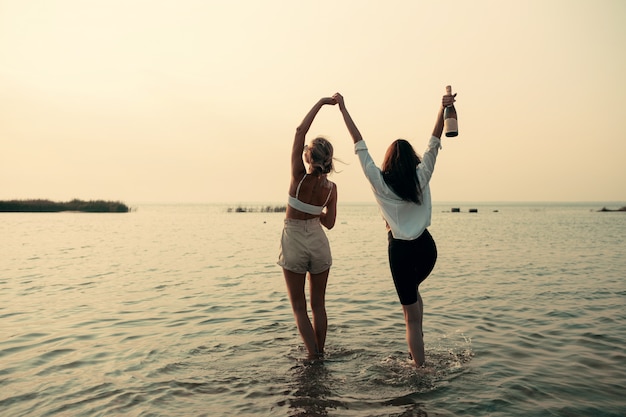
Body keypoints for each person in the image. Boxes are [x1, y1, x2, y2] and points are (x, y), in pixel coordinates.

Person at [333, 91, 456, 367]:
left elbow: (359, 144)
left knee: (409, 317)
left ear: (388, 162)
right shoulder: (420, 177)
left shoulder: (379, 183)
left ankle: (420, 371)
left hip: (400, 252)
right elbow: (434, 143)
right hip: (426, 250)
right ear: (411, 160)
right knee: (414, 297)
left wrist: (343, 109)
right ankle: (418, 350)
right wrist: (442, 109)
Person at [278, 96, 338, 359]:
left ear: (308, 157)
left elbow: (300, 131)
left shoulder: (298, 177)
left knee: (299, 309)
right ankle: (321, 353)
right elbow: (330, 223)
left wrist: (322, 102)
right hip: (318, 242)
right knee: (319, 306)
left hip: (293, 240)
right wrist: (317, 211)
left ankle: (313, 358)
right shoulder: (331, 189)